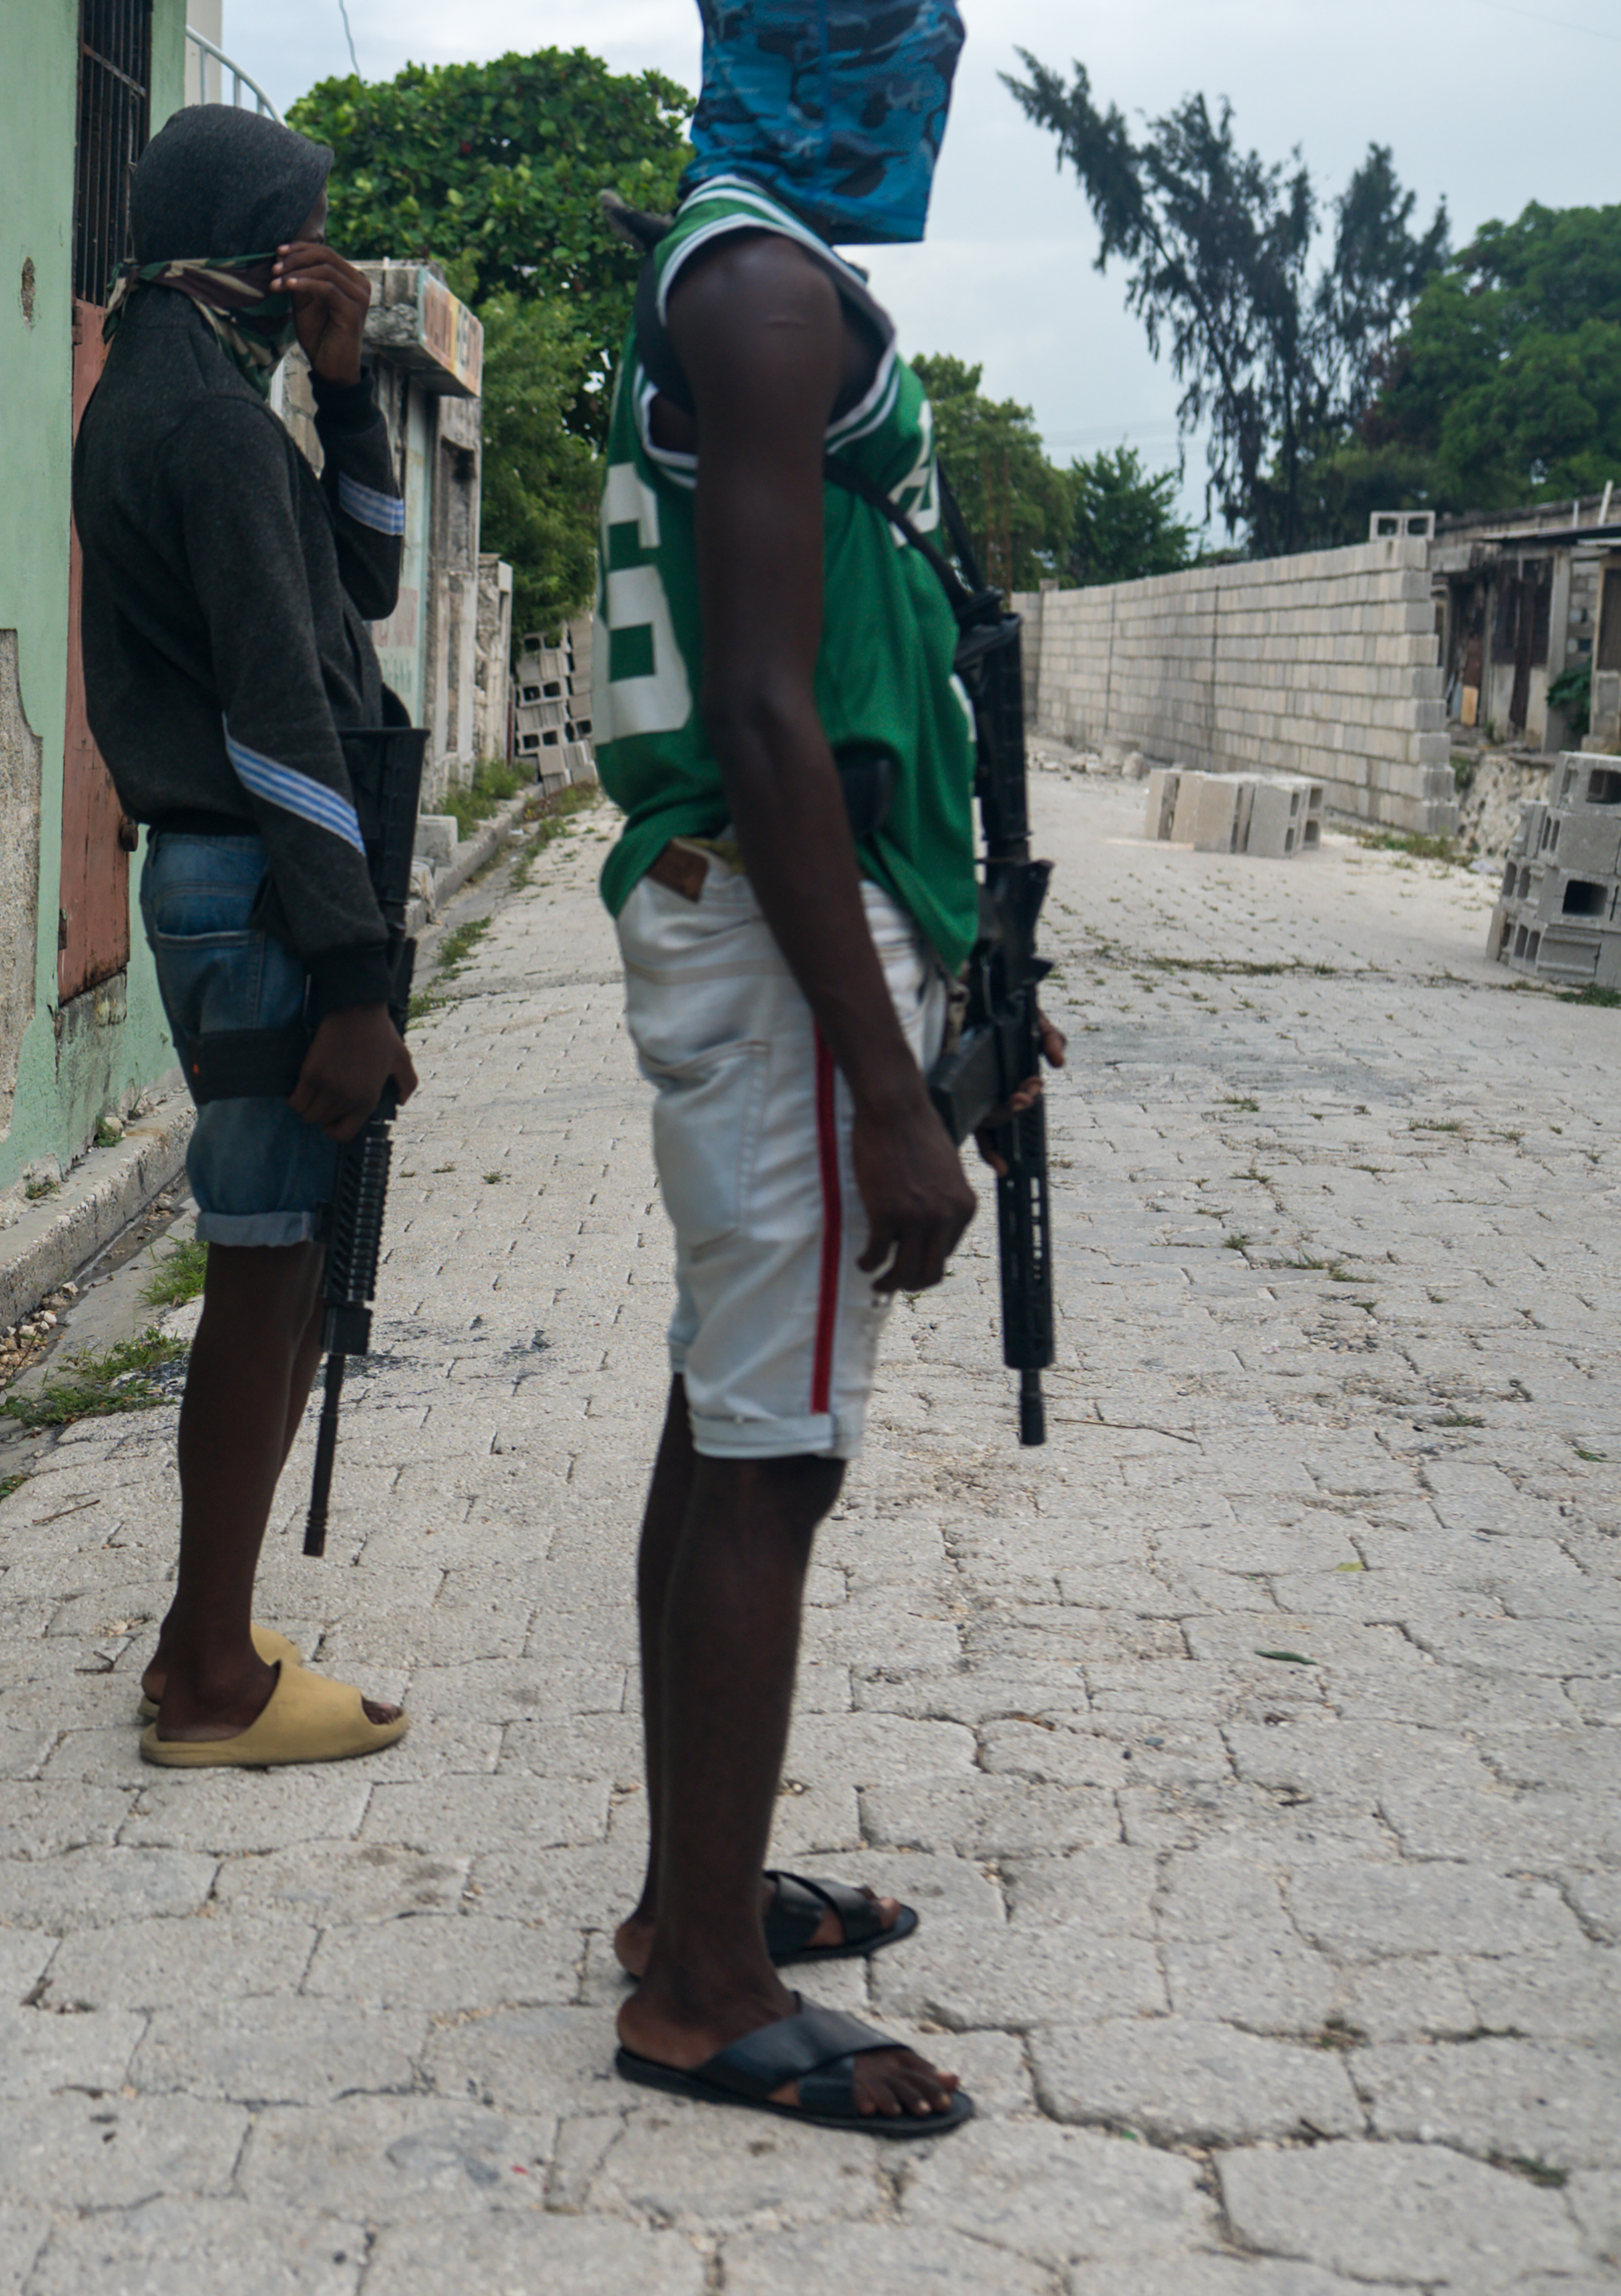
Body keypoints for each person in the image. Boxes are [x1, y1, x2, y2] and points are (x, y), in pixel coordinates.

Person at [592, 0, 1059, 2136]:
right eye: (896, 33)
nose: (927, 72)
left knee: (726, 1410)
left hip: (797, 922)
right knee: (775, 1449)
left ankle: (690, 1893)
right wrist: (883, 1089)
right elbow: (771, 713)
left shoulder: (733, 267)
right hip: (787, 942)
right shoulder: (767, 290)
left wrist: (958, 989)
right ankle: (701, 1989)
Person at [73, 106, 419, 1770]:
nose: (324, 268)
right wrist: (351, 977)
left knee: (284, 1273)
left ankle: (196, 1636)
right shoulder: (204, 425)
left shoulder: (185, 391)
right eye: (311, 238)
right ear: (263, 247)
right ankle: (215, 1676)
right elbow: (280, 710)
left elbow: (364, 581)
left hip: (249, 879)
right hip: (266, 887)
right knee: (267, 1270)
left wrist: (343, 391)